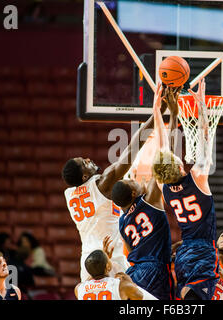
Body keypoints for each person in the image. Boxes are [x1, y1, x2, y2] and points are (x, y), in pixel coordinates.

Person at [62, 90, 169, 282]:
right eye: (84, 162)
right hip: (110, 257)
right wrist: (157, 114)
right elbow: (132, 149)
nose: (88, 158)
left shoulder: (70, 194)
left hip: (87, 260)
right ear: (85, 175)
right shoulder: (103, 184)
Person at [151, 78, 219, 300]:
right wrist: (201, 106)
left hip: (183, 253)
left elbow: (161, 146)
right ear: (179, 165)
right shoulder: (197, 178)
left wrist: (157, 111)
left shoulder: (165, 188)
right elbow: (205, 139)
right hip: (202, 252)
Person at [111, 83, 178, 300]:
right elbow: (166, 157)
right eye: (133, 182)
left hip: (134, 272)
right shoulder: (149, 200)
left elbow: (130, 251)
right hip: (154, 271)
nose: (137, 180)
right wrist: (171, 115)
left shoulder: (122, 220)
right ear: (132, 194)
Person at [74, 236, 157, 300]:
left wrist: (105, 260)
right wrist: (130, 281)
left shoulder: (79, 289)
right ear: (108, 267)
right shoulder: (122, 286)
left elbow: (93, 276)